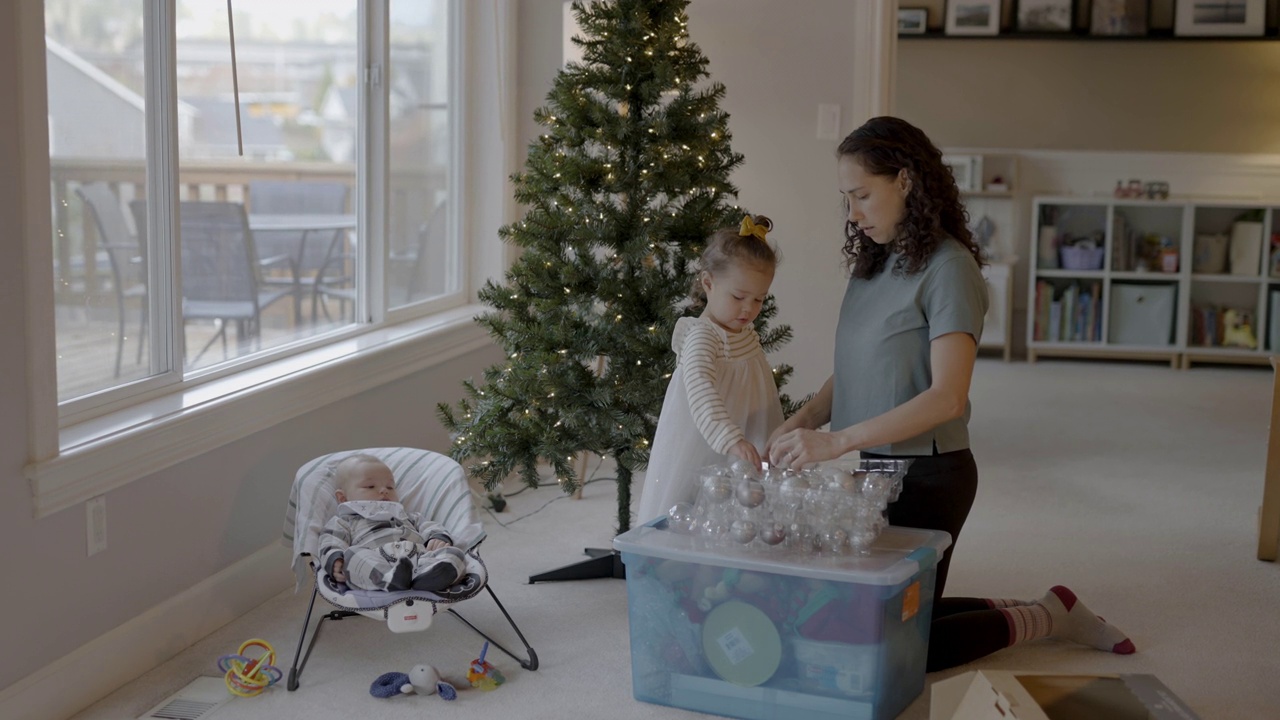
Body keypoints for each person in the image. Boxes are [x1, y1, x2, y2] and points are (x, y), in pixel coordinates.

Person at [765, 116, 1135, 671]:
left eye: (863, 195)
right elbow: (863, 367)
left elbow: (946, 398)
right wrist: (806, 418)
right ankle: (1051, 607)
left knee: (892, 647)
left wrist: (836, 440)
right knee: (873, 613)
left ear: (907, 181)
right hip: (875, 471)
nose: (853, 214)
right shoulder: (875, 261)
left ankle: (1050, 620)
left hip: (929, 477)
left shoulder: (950, 269)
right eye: (847, 199)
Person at [636, 215, 785, 524]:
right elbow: (701, 389)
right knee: (695, 502)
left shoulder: (744, 332)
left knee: (747, 504)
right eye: (738, 297)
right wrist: (730, 439)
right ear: (708, 283)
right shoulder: (704, 336)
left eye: (759, 299)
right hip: (710, 439)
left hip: (747, 432)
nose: (749, 309)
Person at [318, 453, 468, 593]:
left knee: (455, 554)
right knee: (353, 555)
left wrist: (438, 537)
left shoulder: (407, 516)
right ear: (343, 498)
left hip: (420, 560)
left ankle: (430, 577)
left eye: (390, 487)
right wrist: (334, 559)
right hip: (375, 563)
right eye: (370, 486)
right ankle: (388, 578)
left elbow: (429, 526)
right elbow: (330, 541)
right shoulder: (344, 521)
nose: (384, 490)